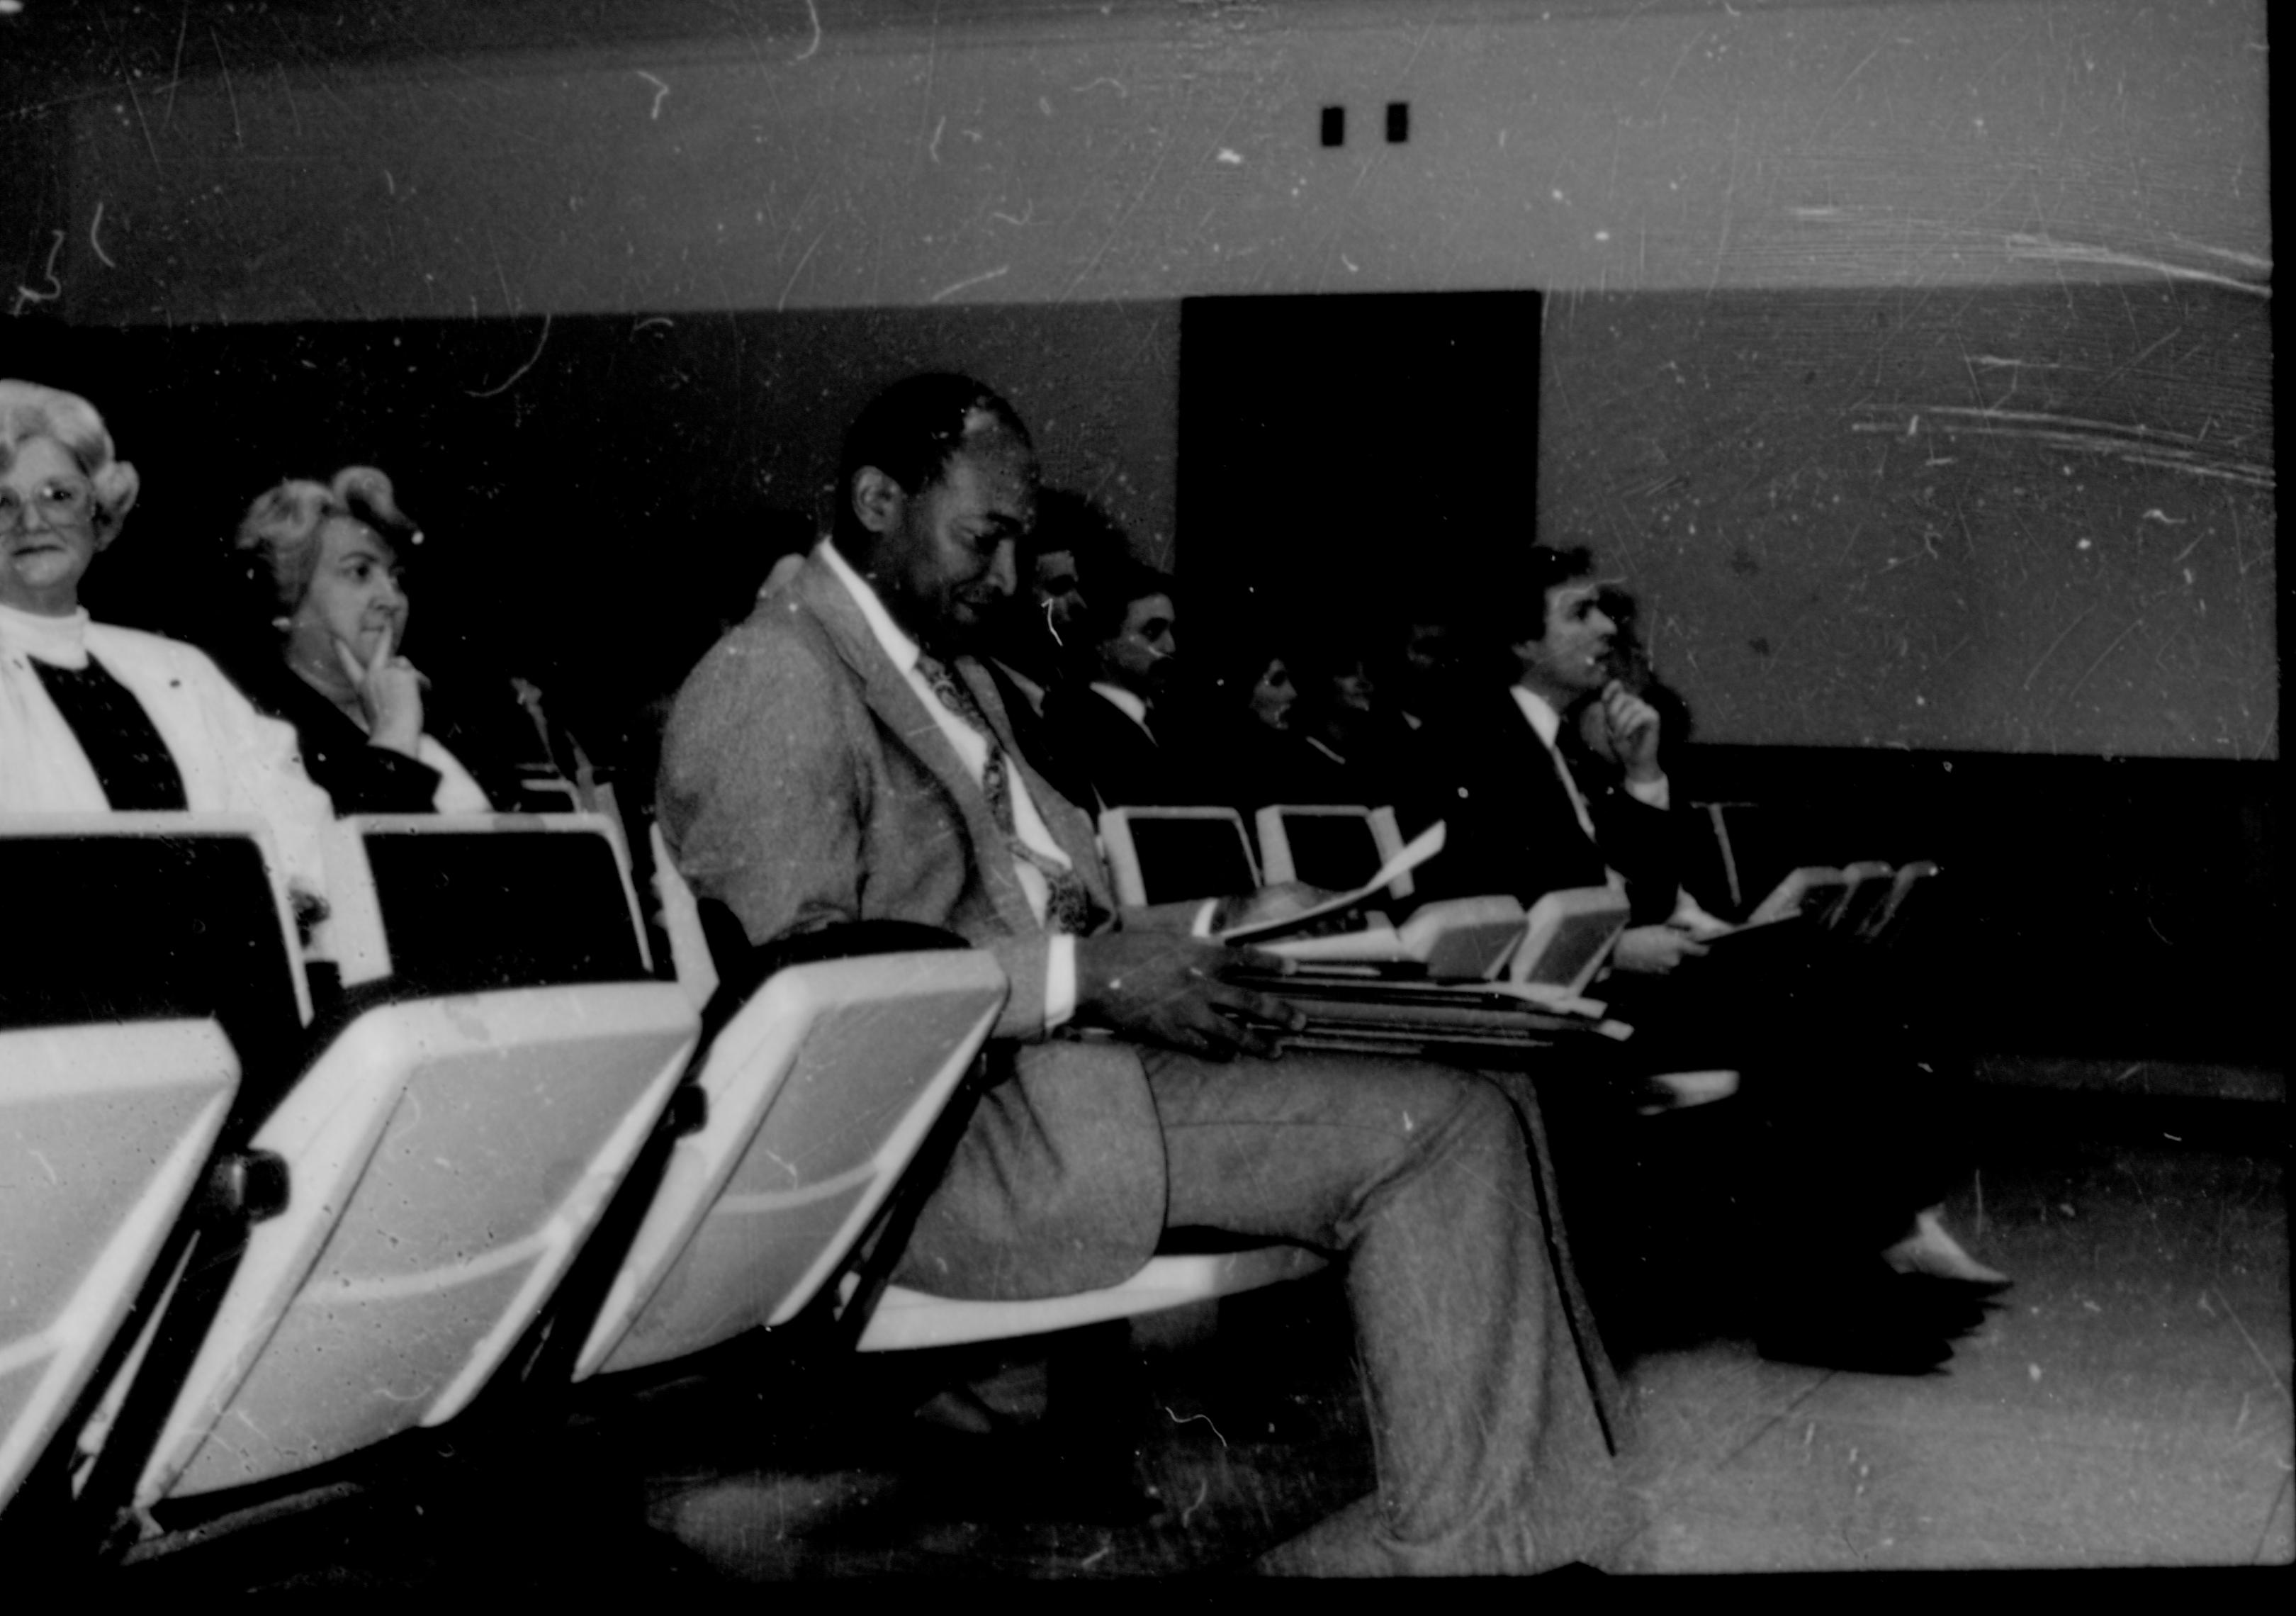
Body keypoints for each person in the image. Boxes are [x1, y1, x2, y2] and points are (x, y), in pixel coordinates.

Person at [657, 374, 1633, 1575]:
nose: (1010, 579)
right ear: (875, 500)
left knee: (1497, 1089)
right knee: (1444, 1134)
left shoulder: (946, 677)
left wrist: (1228, 915)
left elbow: (1065, 915)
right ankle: (1476, 1554)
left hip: (1070, 1078)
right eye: (985, 537)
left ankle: (1518, 1539)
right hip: (961, 1143)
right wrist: (1090, 982)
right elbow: (806, 986)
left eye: (1019, 543)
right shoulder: (773, 676)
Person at [0, 379, 332, 898]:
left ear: (99, 510)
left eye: (59, 495)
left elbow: (292, 825)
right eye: (2, 502)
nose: (32, 521)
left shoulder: (179, 668)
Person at [227, 467, 589, 815]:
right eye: (360, 572)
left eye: (396, 577)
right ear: (285, 601)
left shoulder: (449, 717)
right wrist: (395, 734)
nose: (391, 598)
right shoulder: (257, 733)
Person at [1037, 557, 1205, 812]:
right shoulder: (1080, 724)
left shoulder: (1174, 723)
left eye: (1172, 631)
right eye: (1152, 632)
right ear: (1103, 643)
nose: (1170, 647)